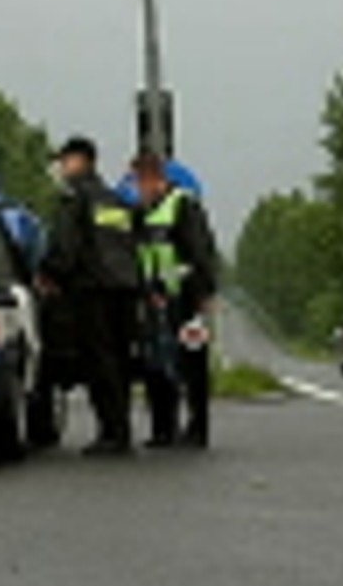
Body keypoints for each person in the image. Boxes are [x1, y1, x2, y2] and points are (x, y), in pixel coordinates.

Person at [37, 136, 142, 456]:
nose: (62, 168)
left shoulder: (75, 198)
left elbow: (66, 246)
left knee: (99, 361)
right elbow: (130, 244)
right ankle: (122, 429)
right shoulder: (115, 200)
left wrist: (50, 274)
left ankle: (110, 433)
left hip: (91, 290)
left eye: (65, 161)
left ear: (81, 161)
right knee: (121, 361)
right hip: (125, 288)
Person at [132, 151, 220, 449]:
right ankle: (163, 428)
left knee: (192, 364)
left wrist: (204, 293)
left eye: (141, 182)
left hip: (186, 298)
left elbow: (200, 252)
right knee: (155, 364)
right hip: (155, 298)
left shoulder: (183, 205)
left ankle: (197, 428)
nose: (138, 189)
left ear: (155, 179)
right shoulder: (141, 213)